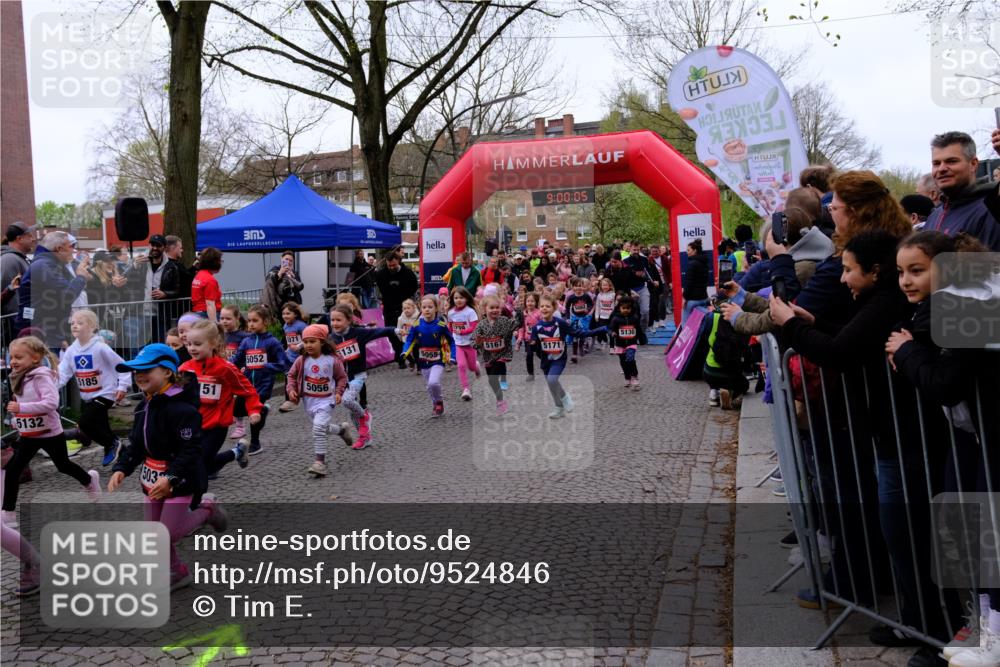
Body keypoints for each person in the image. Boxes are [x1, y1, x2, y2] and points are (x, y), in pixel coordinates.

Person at [108, 343, 228, 592]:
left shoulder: (183, 410)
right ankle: (177, 572)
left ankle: (207, 510)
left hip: (181, 480)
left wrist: (171, 477)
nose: (139, 375)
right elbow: (137, 444)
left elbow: (191, 450)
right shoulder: (143, 406)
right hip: (152, 480)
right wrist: (122, 467)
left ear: (167, 372)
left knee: (168, 533)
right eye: (136, 371)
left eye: (146, 370)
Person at [2, 336, 102, 524]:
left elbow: (51, 403)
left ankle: (89, 480)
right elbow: (24, 404)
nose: (13, 361)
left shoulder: (41, 377)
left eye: (18, 357)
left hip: (50, 433)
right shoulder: (19, 376)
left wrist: (21, 408)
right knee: (14, 470)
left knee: (63, 465)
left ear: (35, 358)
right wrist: (17, 419)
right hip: (29, 435)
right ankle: (8, 513)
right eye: (11, 357)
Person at [179, 319, 262, 477]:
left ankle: (200, 485)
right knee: (197, 462)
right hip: (193, 424)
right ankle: (237, 452)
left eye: (197, 344)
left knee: (200, 463)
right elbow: (175, 394)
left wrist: (254, 410)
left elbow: (248, 390)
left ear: (213, 343)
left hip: (216, 426)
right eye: (189, 344)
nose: (192, 348)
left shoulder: (225, 368)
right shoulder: (185, 368)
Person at [57, 310, 130, 466]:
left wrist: (123, 386)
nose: (75, 326)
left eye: (80, 323)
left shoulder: (100, 347)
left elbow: (121, 366)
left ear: (92, 326)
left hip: (105, 393)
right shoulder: (71, 351)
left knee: (85, 424)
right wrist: (49, 387)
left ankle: (112, 443)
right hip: (88, 396)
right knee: (103, 428)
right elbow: (62, 373)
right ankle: (124, 456)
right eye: (72, 323)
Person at [286, 323, 355, 477]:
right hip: (309, 401)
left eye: (312, 341)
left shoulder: (332, 360)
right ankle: (341, 430)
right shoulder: (301, 360)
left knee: (318, 428)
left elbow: (342, 377)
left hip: (327, 400)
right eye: (306, 342)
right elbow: (291, 375)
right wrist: (291, 390)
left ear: (322, 342)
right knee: (322, 427)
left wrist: (339, 392)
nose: (308, 345)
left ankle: (319, 463)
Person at [327, 303, 399, 449]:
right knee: (352, 410)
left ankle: (365, 416)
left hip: (357, 376)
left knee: (347, 401)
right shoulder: (331, 339)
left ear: (348, 320)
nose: (335, 323)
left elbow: (380, 331)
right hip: (341, 380)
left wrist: (396, 330)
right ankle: (364, 437)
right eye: (332, 320)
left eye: (338, 320)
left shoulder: (358, 333)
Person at [531, 293, 604, 419]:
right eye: (542, 306)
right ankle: (559, 408)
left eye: (547, 306)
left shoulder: (560, 323)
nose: (544, 308)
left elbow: (578, 333)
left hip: (559, 359)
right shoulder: (536, 327)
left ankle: (565, 398)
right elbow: (535, 344)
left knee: (552, 380)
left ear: (554, 308)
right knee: (552, 384)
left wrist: (599, 330)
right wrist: (532, 344)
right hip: (545, 360)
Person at [923, 131, 1000, 250]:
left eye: (951, 161)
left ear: (973, 164)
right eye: (936, 163)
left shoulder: (992, 209)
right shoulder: (934, 216)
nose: (941, 169)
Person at [15, 231, 90, 350]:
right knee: (44, 362)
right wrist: (81, 277)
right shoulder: (44, 265)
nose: (73, 251)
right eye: (71, 246)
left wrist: (60, 337)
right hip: (40, 332)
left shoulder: (47, 264)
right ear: (59, 249)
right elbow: (67, 295)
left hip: (47, 330)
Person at [229, 305, 285, 456]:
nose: (251, 324)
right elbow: (236, 359)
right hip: (247, 385)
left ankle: (255, 443)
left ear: (265, 321)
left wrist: (266, 366)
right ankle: (263, 411)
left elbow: (283, 364)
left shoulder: (272, 342)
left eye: (255, 320)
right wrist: (224, 365)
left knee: (254, 413)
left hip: (263, 385)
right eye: (249, 321)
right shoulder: (246, 342)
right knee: (237, 410)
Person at [401, 296, 456, 417]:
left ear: (436, 308)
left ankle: (439, 401)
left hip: (438, 360)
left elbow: (452, 341)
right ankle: (435, 403)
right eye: (424, 307)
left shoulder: (441, 325)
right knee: (429, 386)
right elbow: (409, 340)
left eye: (430, 307)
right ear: (420, 308)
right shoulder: (416, 325)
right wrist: (404, 352)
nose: (427, 309)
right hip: (423, 361)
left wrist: (453, 356)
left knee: (433, 383)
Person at [127, 235, 184, 343]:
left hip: (161, 314)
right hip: (142, 312)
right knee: (141, 343)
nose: (155, 248)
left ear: (164, 248)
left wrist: (165, 293)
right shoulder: (141, 264)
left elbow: (177, 290)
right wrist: (134, 266)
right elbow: (128, 282)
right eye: (152, 245)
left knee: (160, 341)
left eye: (158, 245)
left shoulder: (171, 267)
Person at [472, 293, 522, 416]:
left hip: (502, 354)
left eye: (497, 308)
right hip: (488, 356)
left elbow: (517, 323)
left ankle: (500, 402)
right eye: (491, 308)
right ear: (485, 309)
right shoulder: (481, 325)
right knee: (491, 381)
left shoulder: (504, 321)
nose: (495, 310)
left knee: (494, 375)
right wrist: (478, 342)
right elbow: (474, 342)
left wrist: (520, 310)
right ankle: (500, 399)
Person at [374, 252, 419, 370]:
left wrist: (407, 301)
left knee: (406, 333)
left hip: (404, 309)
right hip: (389, 308)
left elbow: (414, 287)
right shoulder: (381, 274)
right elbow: (380, 288)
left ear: (398, 261)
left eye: (394, 265)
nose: (391, 267)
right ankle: (403, 355)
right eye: (389, 265)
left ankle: (402, 358)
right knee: (391, 333)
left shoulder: (408, 273)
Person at [1, 222, 36, 345]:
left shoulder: (19, 258)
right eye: (29, 236)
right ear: (19, 239)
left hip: (23, 323)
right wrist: (17, 322)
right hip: (14, 328)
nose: (33, 239)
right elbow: (7, 293)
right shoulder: (9, 259)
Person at [447, 286, 480, 401]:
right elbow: (450, 325)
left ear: (466, 298)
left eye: (461, 297)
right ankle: (466, 389)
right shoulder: (451, 312)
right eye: (456, 298)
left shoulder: (470, 312)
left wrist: (462, 331)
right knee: (461, 366)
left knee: (471, 367)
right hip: (458, 344)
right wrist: (450, 334)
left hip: (470, 343)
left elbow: (474, 327)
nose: (458, 300)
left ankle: (476, 367)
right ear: (453, 299)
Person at [608, 294, 647, 390]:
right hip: (620, 344)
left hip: (631, 343)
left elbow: (639, 329)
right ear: (619, 308)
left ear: (631, 308)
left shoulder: (634, 318)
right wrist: (612, 333)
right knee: (623, 362)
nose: (626, 310)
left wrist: (642, 339)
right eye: (623, 308)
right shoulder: (616, 319)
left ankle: (634, 377)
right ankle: (627, 377)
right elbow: (610, 328)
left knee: (630, 359)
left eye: (628, 308)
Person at [263, 251, 304, 316]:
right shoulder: (275, 269)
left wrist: (292, 277)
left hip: (293, 301)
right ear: (281, 259)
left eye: (291, 260)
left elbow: (300, 287)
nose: (288, 262)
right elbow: (269, 281)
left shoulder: (294, 273)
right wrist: (280, 273)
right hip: (280, 301)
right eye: (286, 259)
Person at [564, 277, 595, 363]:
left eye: (580, 286)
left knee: (582, 335)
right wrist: (568, 318)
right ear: (572, 287)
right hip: (575, 317)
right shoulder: (571, 297)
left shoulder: (586, 296)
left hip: (584, 318)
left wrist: (587, 310)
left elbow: (591, 304)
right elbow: (567, 308)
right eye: (576, 286)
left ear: (583, 287)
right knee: (575, 335)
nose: (578, 288)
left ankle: (581, 345)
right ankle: (574, 354)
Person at [190, 247, 224, 320]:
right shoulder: (210, 280)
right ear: (214, 262)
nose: (221, 263)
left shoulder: (199, 275)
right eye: (220, 260)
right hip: (207, 314)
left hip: (198, 313)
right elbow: (210, 304)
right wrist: (214, 323)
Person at [680, 239, 709, 325]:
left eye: (688, 250)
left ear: (695, 250)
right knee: (701, 325)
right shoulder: (704, 263)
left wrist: (684, 297)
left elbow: (689, 283)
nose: (687, 252)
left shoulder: (692, 264)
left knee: (686, 325)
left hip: (693, 300)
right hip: (704, 298)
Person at [516, 292, 542, 380]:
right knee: (529, 355)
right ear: (525, 302)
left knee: (540, 354)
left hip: (538, 338)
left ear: (536, 302)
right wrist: (520, 338)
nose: (530, 303)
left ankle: (548, 365)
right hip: (528, 339)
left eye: (532, 301)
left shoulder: (539, 313)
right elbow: (522, 327)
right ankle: (531, 374)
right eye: (528, 301)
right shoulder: (522, 314)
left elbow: (543, 324)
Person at [396, 299, 420, 372]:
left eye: (408, 308)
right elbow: (398, 329)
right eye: (404, 308)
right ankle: (412, 362)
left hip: (415, 339)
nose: (406, 310)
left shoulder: (418, 317)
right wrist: (400, 337)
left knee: (416, 353)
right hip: (406, 339)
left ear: (413, 308)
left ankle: (419, 367)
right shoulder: (401, 318)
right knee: (405, 352)